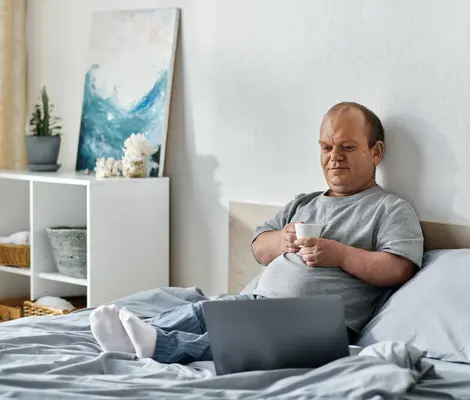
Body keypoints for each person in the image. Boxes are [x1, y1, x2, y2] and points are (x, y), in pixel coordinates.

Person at [89, 101, 424, 364]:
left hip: (319, 323)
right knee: (205, 311)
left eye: (347, 147)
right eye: (326, 147)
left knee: (241, 340)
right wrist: (281, 241)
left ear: (376, 152)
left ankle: (161, 346)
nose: (334, 157)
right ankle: (143, 333)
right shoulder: (303, 202)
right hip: (261, 302)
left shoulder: (389, 209)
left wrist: (340, 254)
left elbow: (399, 267)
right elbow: (258, 246)